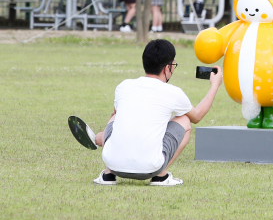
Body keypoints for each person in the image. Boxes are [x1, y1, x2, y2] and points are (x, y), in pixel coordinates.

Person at [92, 39, 223, 186]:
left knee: (116, 115)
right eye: (173, 65)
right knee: (185, 120)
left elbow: (115, 117)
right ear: (167, 68)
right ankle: (161, 176)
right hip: (149, 168)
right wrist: (215, 85)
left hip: (113, 163)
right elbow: (197, 116)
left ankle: (107, 175)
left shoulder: (124, 86)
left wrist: (104, 136)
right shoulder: (173, 92)